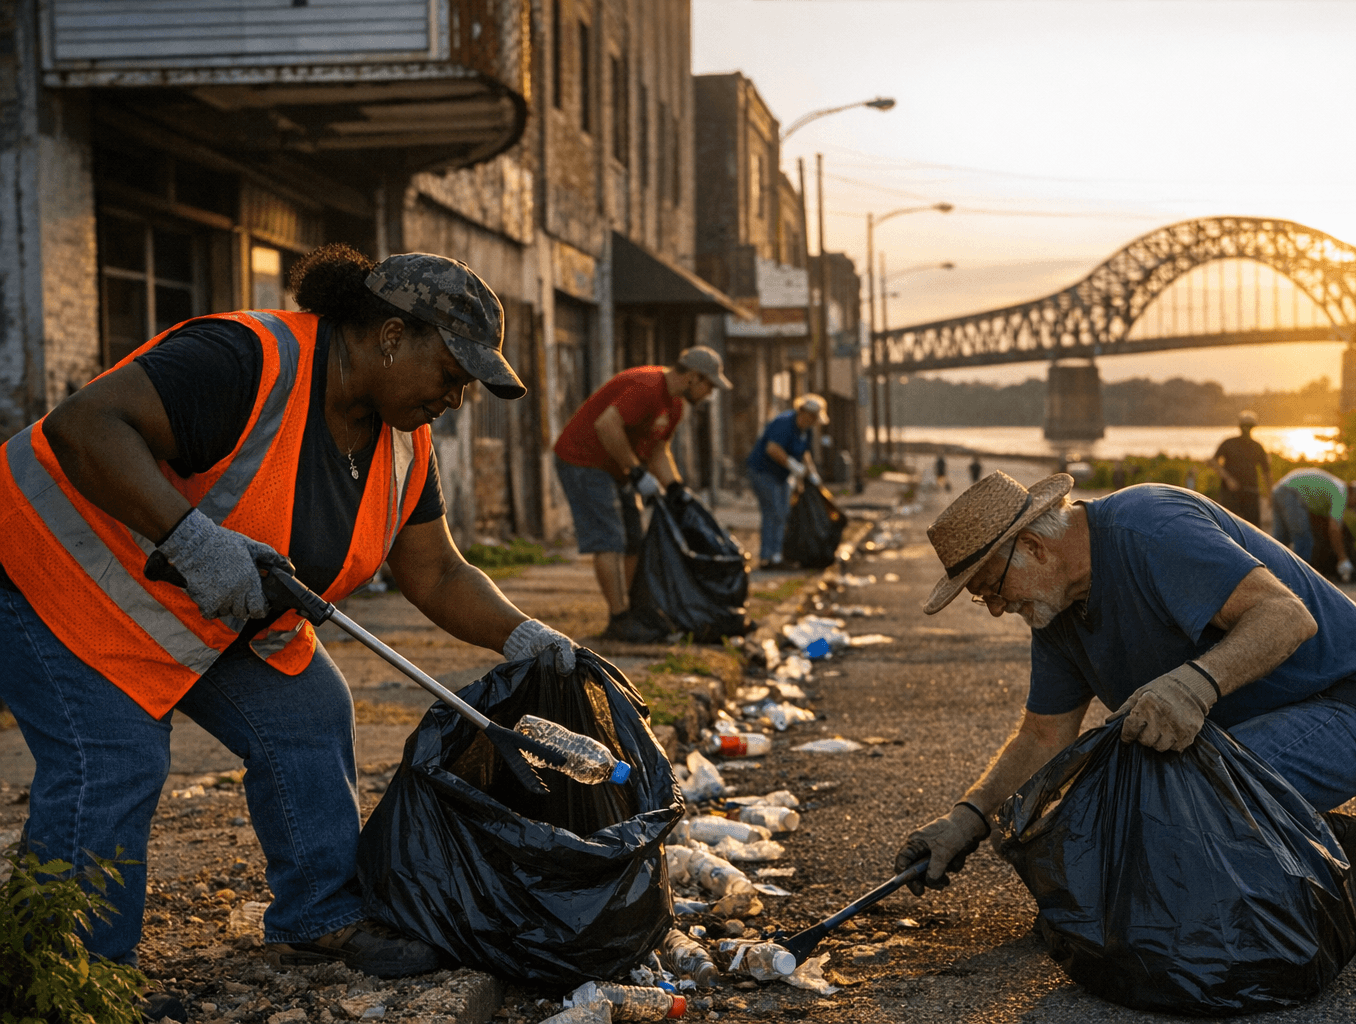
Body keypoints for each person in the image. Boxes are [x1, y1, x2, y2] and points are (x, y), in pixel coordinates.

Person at [0, 245, 580, 995]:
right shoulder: (244, 359)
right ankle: (67, 980)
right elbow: (85, 424)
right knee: (112, 759)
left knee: (309, 710)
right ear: (392, 335)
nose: (455, 398)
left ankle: (320, 913)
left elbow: (435, 571)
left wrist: (523, 635)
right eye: (451, 373)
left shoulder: (404, 442)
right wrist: (190, 538)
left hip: (200, 609)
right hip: (49, 570)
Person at [895, 472, 1356, 933]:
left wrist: (1192, 686)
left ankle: (1327, 857)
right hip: (1234, 743)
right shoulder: (1055, 611)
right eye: (983, 598)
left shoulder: (1152, 527)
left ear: (1032, 546)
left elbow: (1286, 617)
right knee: (1100, 827)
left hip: (1349, 709)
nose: (996, 609)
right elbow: (1042, 735)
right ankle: (1293, 838)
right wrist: (967, 819)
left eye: (991, 589)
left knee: (1165, 816)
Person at [553, 347, 730, 638]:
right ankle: (619, 618)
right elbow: (606, 425)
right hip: (583, 461)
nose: (710, 393)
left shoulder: (675, 405)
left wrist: (675, 487)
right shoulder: (647, 387)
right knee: (609, 538)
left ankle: (634, 611)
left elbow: (659, 451)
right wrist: (636, 471)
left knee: (635, 537)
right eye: (709, 385)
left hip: (617, 466)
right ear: (693, 377)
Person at [745, 394, 826, 568]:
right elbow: (772, 448)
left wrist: (812, 474)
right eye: (812, 418)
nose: (813, 422)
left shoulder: (806, 431)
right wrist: (792, 465)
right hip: (763, 472)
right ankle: (768, 558)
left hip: (781, 476)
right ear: (804, 413)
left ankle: (777, 554)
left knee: (783, 512)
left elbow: (804, 453)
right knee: (773, 512)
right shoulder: (784, 423)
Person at [1271, 468, 1356, 584]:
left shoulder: (1336, 486)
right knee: (1303, 540)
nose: (1351, 507)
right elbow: (1334, 529)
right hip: (1290, 493)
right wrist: (1343, 559)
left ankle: (1272, 573)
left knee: (1280, 540)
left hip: (1279, 489)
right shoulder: (1341, 493)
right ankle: (1300, 581)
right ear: (1354, 495)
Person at [1209, 410, 1271, 526]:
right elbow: (1213, 461)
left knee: (1253, 526)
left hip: (1251, 492)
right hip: (1230, 493)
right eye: (1244, 426)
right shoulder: (1229, 443)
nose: (1247, 429)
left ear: (1253, 427)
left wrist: (1269, 495)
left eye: (1249, 426)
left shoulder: (1257, 447)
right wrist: (1228, 479)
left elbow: (1266, 472)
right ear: (1240, 426)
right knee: (1229, 524)